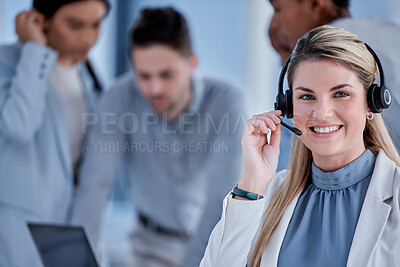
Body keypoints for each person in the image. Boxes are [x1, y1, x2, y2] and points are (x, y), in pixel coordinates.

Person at [200, 26, 400, 267]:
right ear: (288, 107)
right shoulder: (267, 195)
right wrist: (253, 182)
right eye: (307, 97)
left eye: (341, 94)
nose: (322, 113)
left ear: (372, 103)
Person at [71, 7, 245, 267]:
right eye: (144, 76)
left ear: (192, 63)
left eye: (166, 75)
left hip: (214, 243)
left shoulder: (227, 100)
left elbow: (222, 197)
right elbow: (94, 188)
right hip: (148, 248)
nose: (154, 88)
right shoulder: (119, 98)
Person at [0, 0, 110, 266]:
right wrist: (34, 49)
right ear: (41, 20)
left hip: (70, 232)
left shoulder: (87, 76)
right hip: (16, 233)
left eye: (96, 25)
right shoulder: (7, 62)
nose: (88, 37)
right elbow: (18, 125)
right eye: (75, 25)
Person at [268, 0, 400, 171]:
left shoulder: (331, 61)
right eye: (307, 96)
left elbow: (284, 170)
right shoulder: (390, 32)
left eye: (277, 9)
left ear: (316, 3)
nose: (274, 23)